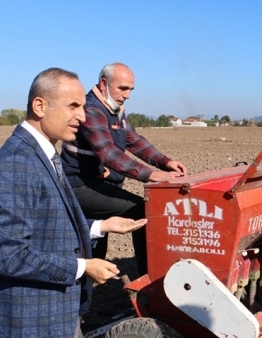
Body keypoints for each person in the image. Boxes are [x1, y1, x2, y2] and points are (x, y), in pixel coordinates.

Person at [0, 68, 147, 338]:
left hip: (60, 313)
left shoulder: (44, 154)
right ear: (40, 106)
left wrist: (101, 226)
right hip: (36, 321)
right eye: (73, 106)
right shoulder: (16, 163)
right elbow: (9, 256)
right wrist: (83, 266)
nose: (82, 115)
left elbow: (48, 223)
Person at [60, 62, 186, 276]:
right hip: (78, 185)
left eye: (130, 89)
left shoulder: (115, 110)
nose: (127, 95)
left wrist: (164, 162)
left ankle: (89, 287)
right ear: (103, 84)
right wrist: (151, 174)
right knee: (140, 209)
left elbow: (134, 141)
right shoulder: (92, 109)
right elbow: (108, 152)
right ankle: (148, 278)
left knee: (96, 242)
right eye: (123, 88)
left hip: (97, 182)